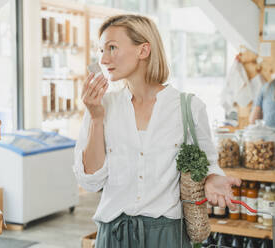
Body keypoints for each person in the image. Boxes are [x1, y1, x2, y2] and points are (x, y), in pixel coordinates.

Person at [73, 14, 241, 248]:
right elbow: (90, 181)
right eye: (101, 50)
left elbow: (209, 162)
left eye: (112, 48)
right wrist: (96, 119)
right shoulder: (102, 106)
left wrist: (212, 179)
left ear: (143, 50)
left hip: (166, 236)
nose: (103, 59)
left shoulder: (189, 107)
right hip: (113, 235)